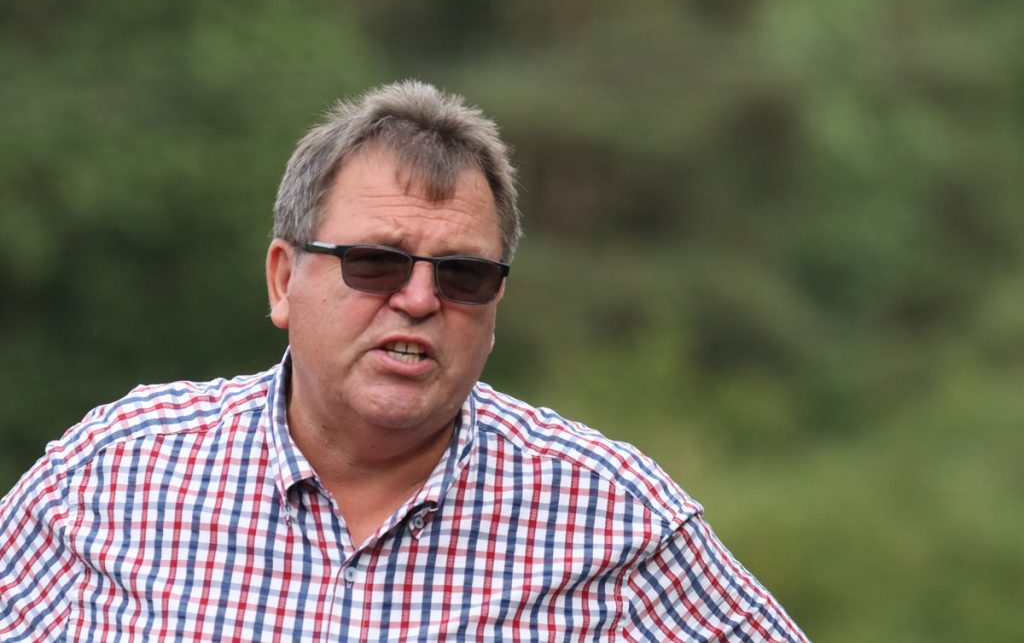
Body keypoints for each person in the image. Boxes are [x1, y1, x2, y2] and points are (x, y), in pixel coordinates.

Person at [0, 81, 808, 641]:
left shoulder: (617, 519)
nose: (419, 298)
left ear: (496, 302)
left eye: (463, 274)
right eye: (376, 262)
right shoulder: (110, 475)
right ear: (283, 279)